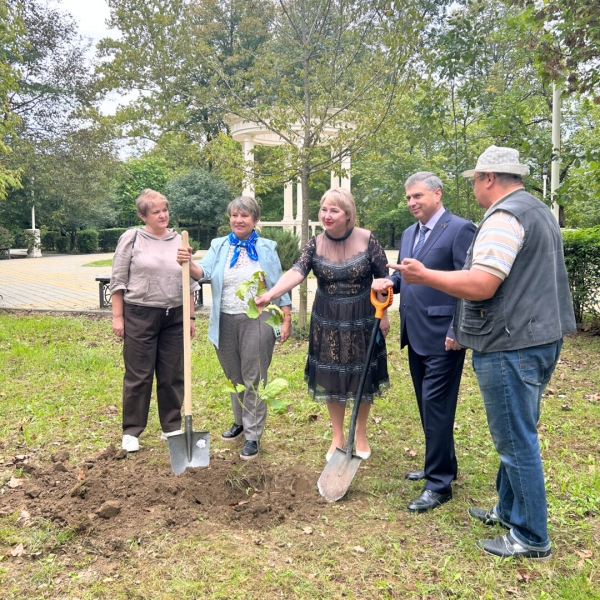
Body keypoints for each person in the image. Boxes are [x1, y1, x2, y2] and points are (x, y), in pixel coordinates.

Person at [390, 146, 576, 559]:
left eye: (475, 178)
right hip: (541, 337)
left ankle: (530, 536)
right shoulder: (538, 209)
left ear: (489, 178)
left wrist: (424, 275)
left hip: (512, 344)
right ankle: (509, 509)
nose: (473, 186)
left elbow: (482, 284)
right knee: (518, 431)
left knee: (515, 440)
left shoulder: (503, 217)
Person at [255, 188, 390, 462]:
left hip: (364, 315)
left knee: (362, 374)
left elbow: (384, 277)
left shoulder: (367, 239)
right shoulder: (314, 244)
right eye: (324, 210)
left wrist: (384, 314)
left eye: (334, 211)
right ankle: (338, 437)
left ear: (348, 215)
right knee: (331, 376)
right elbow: (296, 272)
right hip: (327, 318)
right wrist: (270, 294)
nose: (327, 216)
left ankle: (360, 434)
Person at [372, 172, 476, 513]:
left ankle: (439, 485)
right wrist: (390, 281)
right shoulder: (408, 233)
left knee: (437, 405)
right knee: (427, 403)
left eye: (417, 196)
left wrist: (457, 330)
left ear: (437, 194)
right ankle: (443, 464)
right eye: (408, 198)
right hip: (415, 333)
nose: (412, 203)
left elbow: (468, 282)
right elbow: (407, 274)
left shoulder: (460, 229)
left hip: (444, 336)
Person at [177, 196, 292, 460]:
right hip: (224, 320)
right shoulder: (219, 245)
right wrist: (187, 261)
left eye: (244, 216)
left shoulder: (266, 247)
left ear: (255, 220)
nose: (238, 220)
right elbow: (202, 272)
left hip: (258, 319)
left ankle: (253, 435)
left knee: (254, 377)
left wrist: (286, 317)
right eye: (234, 216)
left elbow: (278, 284)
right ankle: (240, 422)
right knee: (234, 376)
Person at [110, 189, 200, 453]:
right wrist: (118, 317)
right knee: (139, 374)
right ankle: (132, 431)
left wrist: (191, 316)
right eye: (156, 211)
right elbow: (118, 279)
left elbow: (191, 282)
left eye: (165, 210)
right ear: (142, 215)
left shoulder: (179, 239)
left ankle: (171, 426)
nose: (163, 215)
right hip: (140, 313)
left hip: (175, 316)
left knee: (173, 374)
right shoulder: (133, 238)